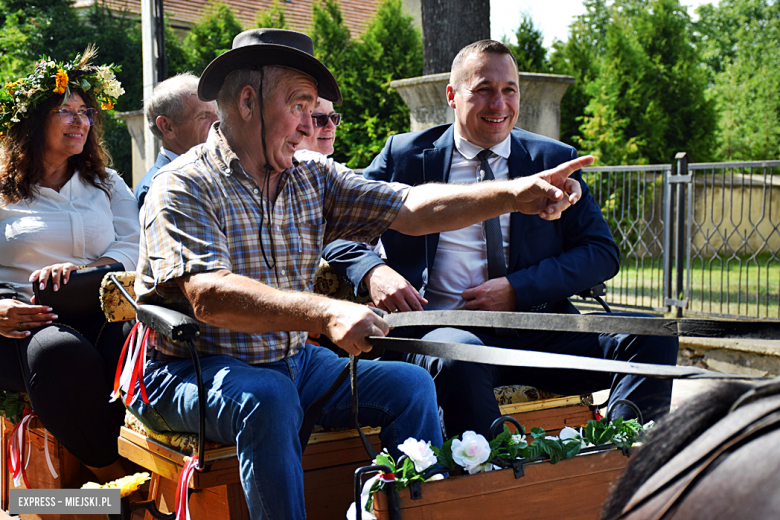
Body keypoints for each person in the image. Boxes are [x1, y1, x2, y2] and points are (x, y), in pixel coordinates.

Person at [130, 28, 591, 519]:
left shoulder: (311, 174)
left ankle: (412, 513)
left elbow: (410, 206)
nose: (310, 126)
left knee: (410, 387)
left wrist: (512, 193)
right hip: (187, 370)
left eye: (314, 110)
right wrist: (326, 310)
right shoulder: (179, 185)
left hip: (293, 362)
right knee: (268, 397)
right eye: (300, 106)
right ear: (248, 101)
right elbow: (210, 296)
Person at [323, 39, 679, 439]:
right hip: (444, 332)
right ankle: (491, 480)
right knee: (457, 355)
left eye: (509, 90)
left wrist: (517, 289)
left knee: (652, 335)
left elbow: (601, 253)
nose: (499, 104)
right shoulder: (405, 156)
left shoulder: (551, 160)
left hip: (540, 331)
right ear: (452, 96)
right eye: (484, 90)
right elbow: (332, 224)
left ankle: (622, 458)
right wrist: (373, 271)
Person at [0, 49, 140, 483]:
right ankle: (114, 481)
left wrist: (88, 270)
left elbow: (135, 246)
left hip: (97, 310)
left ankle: (153, 460)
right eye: (66, 111)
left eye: (85, 113)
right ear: (33, 121)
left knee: (139, 339)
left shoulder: (107, 182)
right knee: (61, 352)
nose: (81, 121)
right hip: (20, 324)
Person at [133, 72, 218, 207]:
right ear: (167, 127)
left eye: (217, 113)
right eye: (204, 116)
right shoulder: (157, 188)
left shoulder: (217, 172)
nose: (218, 123)